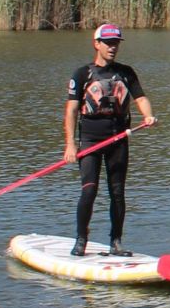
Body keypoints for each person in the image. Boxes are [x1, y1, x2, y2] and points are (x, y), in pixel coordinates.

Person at [63, 22, 156, 257]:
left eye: (116, 43)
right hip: (91, 142)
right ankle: (81, 239)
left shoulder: (126, 72)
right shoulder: (82, 74)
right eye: (108, 43)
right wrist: (71, 144)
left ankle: (116, 242)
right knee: (89, 190)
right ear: (97, 44)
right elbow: (72, 111)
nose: (113, 47)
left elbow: (140, 98)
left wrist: (148, 116)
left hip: (118, 140)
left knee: (117, 192)